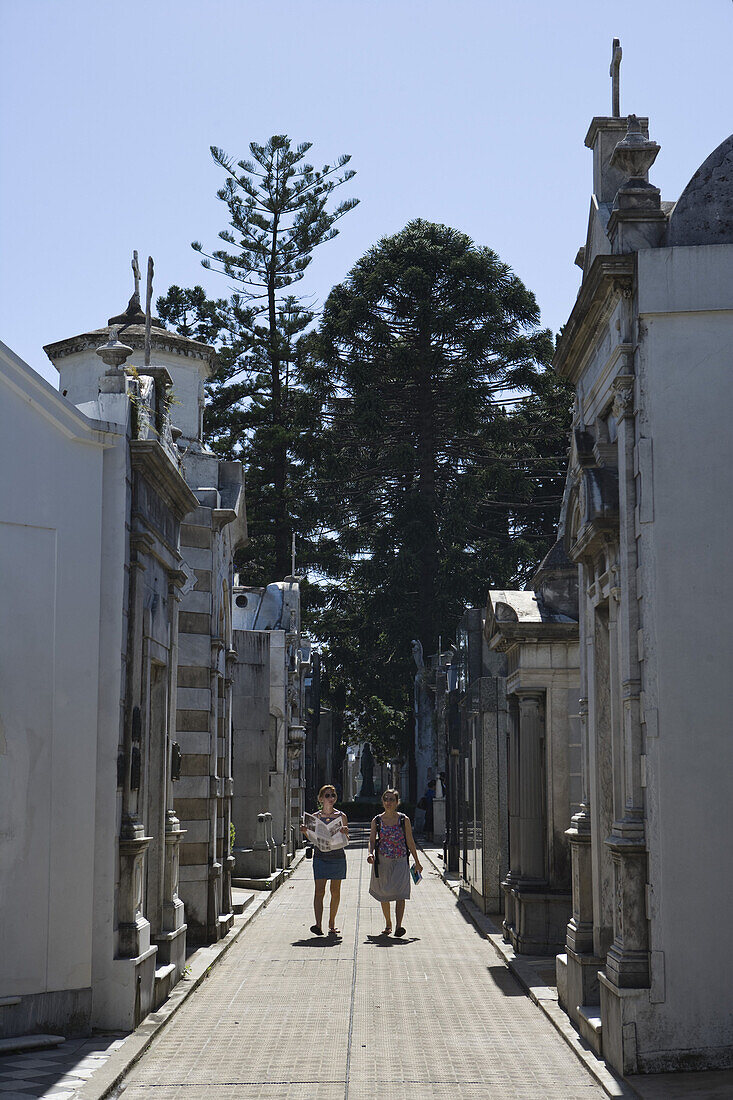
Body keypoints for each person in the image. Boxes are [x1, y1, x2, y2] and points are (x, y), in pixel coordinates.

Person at [367, 788, 423, 937]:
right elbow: (372, 840)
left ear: (397, 802)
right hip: (382, 860)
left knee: (400, 893)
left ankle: (399, 926)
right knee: (383, 892)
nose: (388, 802)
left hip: (401, 859)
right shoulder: (377, 820)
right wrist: (370, 853)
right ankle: (388, 923)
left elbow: (410, 841)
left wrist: (417, 862)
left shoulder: (404, 819)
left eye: (392, 799)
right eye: (386, 799)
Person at [301, 784, 348, 936]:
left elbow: (346, 839)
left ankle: (332, 923)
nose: (330, 798)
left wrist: (345, 833)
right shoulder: (315, 817)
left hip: (337, 856)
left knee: (335, 891)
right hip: (320, 856)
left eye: (333, 795)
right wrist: (305, 832)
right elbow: (313, 839)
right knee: (319, 891)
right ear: (321, 799)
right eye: (327, 795)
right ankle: (318, 924)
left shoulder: (341, 816)